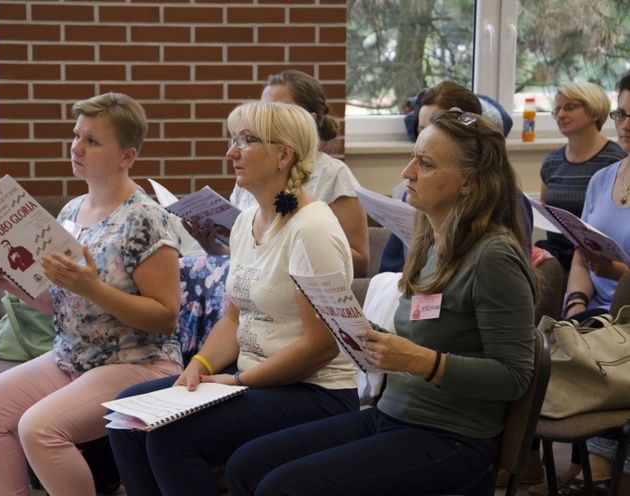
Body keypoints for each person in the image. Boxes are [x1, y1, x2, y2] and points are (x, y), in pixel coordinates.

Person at [225, 109, 537, 496]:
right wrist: (365, 333)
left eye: (424, 164)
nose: (407, 172)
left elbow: (515, 377)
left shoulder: (494, 256)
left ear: (468, 181)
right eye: (412, 157)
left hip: (454, 439)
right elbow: (423, 335)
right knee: (245, 465)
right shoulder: (430, 241)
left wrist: (422, 361)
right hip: (393, 414)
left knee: (280, 487)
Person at [107, 100, 359, 495]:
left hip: (315, 391)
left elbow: (320, 347)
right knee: (126, 415)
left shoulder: (311, 228)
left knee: (171, 437)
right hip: (256, 380)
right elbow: (233, 319)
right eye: (233, 139)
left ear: (283, 155)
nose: (231, 151)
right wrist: (201, 365)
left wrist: (237, 380)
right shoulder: (247, 221)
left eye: (245, 140)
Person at [0, 93, 183, 496]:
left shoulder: (146, 218)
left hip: (140, 361)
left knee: (40, 428)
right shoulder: (71, 211)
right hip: (74, 355)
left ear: (127, 156)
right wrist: (8, 281)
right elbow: (57, 306)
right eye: (76, 135)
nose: (76, 147)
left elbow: (165, 316)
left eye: (92, 141)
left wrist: (91, 287)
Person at [528, 73, 630, 496]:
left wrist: (619, 275)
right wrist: (572, 307)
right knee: (536, 346)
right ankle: (528, 461)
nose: (626, 124)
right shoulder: (603, 179)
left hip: (627, 317)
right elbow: (583, 255)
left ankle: (602, 467)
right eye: (624, 113)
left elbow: (606, 266)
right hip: (596, 313)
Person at [188, 70, 371, 278]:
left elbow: (357, 263)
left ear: (305, 121)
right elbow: (251, 263)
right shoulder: (250, 187)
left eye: (276, 111)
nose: (231, 153)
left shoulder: (329, 185)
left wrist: (286, 246)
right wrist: (215, 247)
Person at [380, 80, 533, 273]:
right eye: (422, 128)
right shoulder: (416, 194)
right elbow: (390, 268)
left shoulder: (497, 248)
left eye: (436, 128)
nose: (426, 136)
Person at [535, 81, 627, 272]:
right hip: (558, 256)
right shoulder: (551, 162)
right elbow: (546, 217)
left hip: (598, 262)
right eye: (557, 109)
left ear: (594, 111)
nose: (561, 115)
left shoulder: (614, 161)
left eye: (569, 107)